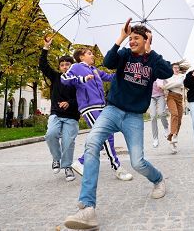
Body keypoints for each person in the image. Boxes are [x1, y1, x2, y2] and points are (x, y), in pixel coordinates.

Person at [64, 22, 173, 229]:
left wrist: (150, 52)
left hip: (134, 117)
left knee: (137, 162)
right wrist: (121, 37)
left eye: (136, 39)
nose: (132, 41)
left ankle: (158, 179)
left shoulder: (153, 61)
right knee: (92, 144)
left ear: (146, 41)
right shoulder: (124, 54)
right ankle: (87, 209)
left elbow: (167, 72)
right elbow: (108, 61)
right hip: (112, 110)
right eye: (131, 38)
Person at [61, 46, 132, 181]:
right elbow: (64, 79)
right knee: (106, 135)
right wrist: (82, 80)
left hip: (101, 107)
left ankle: (80, 162)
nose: (92, 55)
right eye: (89, 53)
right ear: (81, 57)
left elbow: (111, 77)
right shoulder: (76, 67)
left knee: (100, 137)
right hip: (89, 107)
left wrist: (124, 71)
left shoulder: (95, 70)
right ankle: (117, 167)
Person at [39, 37, 80, 181]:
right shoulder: (56, 77)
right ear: (59, 67)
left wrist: (69, 102)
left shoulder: (77, 81)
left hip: (71, 116)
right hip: (56, 114)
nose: (64, 66)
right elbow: (43, 65)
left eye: (67, 64)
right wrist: (45, 47)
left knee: (68, 142)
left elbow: (82, 99)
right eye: (62, 64)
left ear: (72, 66)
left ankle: (67, 167)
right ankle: (56, 159)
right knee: (50, 134)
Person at [163, 63, 185, 154]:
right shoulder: (168, 77)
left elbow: (180, 83)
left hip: (180, 98)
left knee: (179, 120)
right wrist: (171, 85)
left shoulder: (182, 76)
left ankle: (173, 137)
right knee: (174, 114)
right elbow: (164, 86)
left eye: (178, 68)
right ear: (171, 69)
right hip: (171, 96)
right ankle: (172, 136)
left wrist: (167, 86)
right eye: (175, 68)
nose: (176, 69)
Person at [149, 79, 169, 148]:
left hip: (161, 95)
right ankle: (155, 138)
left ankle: (166, 128)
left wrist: (163, 86)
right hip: (151, 97)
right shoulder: (149, 73)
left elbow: (167, 84)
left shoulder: (160, 74)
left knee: (161, 113)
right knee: (153, 116)